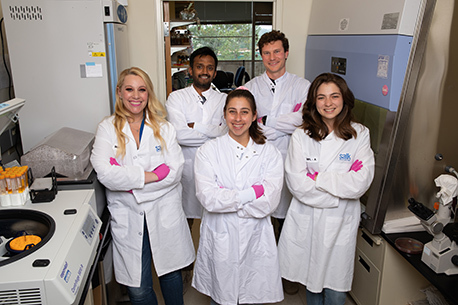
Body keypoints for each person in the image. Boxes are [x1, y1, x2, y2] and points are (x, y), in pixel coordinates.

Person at [90, 67, 195, 305]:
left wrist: (128, 182)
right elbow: (105, 173)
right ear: (119, 92)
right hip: (128, 215)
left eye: (141, 90)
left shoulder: (164, 128)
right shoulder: (107, 128)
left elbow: (175, 171)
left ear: (148, 94)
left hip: (163, 211)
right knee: (138, 289)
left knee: (170, 274)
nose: (135, 96)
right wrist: (152, 176)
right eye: (129, 89)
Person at [278, 73, 375, 305]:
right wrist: (340, 189)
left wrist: (318, 178)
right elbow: (297, 184)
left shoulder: (359, 134)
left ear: (344, 99)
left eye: (334, 96)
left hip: (341, 223)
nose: (328, 103)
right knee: (312, 283)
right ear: (313, 101)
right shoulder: (301, 135)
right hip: (308, 219)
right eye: (321, 97)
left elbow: (360, 183)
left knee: (336, 290)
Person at [192, 88, 284, 305]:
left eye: (244, 112)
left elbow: (269, 202)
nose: (238, 118)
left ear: (254, 116)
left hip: (256, 238)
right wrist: (251, 193)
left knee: (253, 293)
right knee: (221, 296)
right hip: (221, 236)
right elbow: (208, 198)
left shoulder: (269, 152)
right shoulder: (208, 151)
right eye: (232, 112)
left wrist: (229, 197)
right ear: (224, 115)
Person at [244, 30, 311, 237]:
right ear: (261, 55)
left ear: (286, 53)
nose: (272, 58)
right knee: (257, 215)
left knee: (286, 219)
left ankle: (282, 267)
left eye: (277, 52)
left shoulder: (302, 86)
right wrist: (284, 125)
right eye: (266, 53)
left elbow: (304, 120)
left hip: (289, 157)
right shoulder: (250, 87)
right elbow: (245, 122)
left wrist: (265, 120)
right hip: (258, 159)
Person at [166, 46, 227, 227]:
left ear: (215, 73)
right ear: (190, 70)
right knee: (186, 216)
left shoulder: (223, 99)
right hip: (187, 166)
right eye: (200, 67)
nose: (205, 72)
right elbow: (179, 135)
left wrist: (197, 127)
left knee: (215, 217)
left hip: (216, 166)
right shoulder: (176, 98)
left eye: (210, 68)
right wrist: (213, 132)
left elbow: (226, 133)